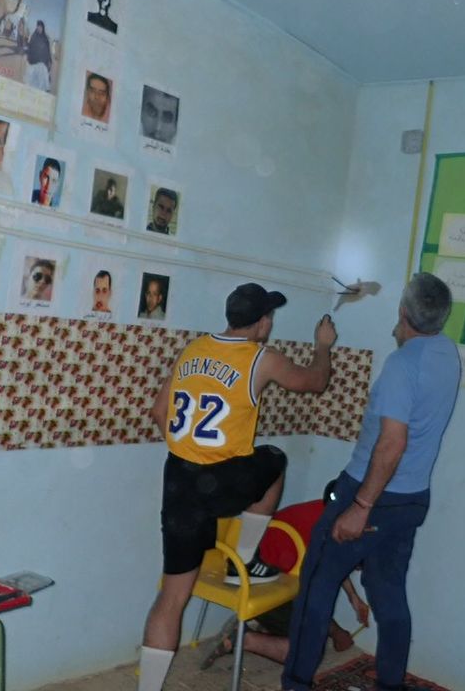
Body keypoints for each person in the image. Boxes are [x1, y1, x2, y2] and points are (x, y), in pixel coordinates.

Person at [138, 283, 337, 691]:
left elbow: (159, 412)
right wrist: (323, 345)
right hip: (221, 478)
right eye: (270, 318)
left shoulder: (193, 349)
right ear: (262, 322)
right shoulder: (261, 357)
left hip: (179, 480)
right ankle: (242, 561)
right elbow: (316, 382)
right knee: (274, 459)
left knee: (172, 597)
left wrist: (191, 457)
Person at [281, 273, 460, 691]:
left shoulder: (403, 364)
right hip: (411, 500)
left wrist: (361, 507)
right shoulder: (447, 353)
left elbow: (392, 442)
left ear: (403, 311)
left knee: (317, 585)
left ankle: (295, 684)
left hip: (372, 494)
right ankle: (391, 685)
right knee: (388, 593)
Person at [201, 480, 370, 670]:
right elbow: (323, 583)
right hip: (256, 580)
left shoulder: (331, 514)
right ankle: (242, 638)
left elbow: (332, 566)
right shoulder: (331, 528)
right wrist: (336, 630)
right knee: (308, 653)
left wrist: (352, 600)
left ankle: (266, 630)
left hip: (272, 576)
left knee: (311, 619)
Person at [25, 20, 53, 92]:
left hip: (42, 64)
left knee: (42, 82)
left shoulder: (45, 39)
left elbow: (47, 51)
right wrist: (28, 56)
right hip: (33, 62)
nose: (39, 28)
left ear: (43, 28)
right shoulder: (33, 36)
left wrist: (49, 60)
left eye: (40, 27)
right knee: (31, 82)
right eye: (38, 27)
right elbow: (30, 47)